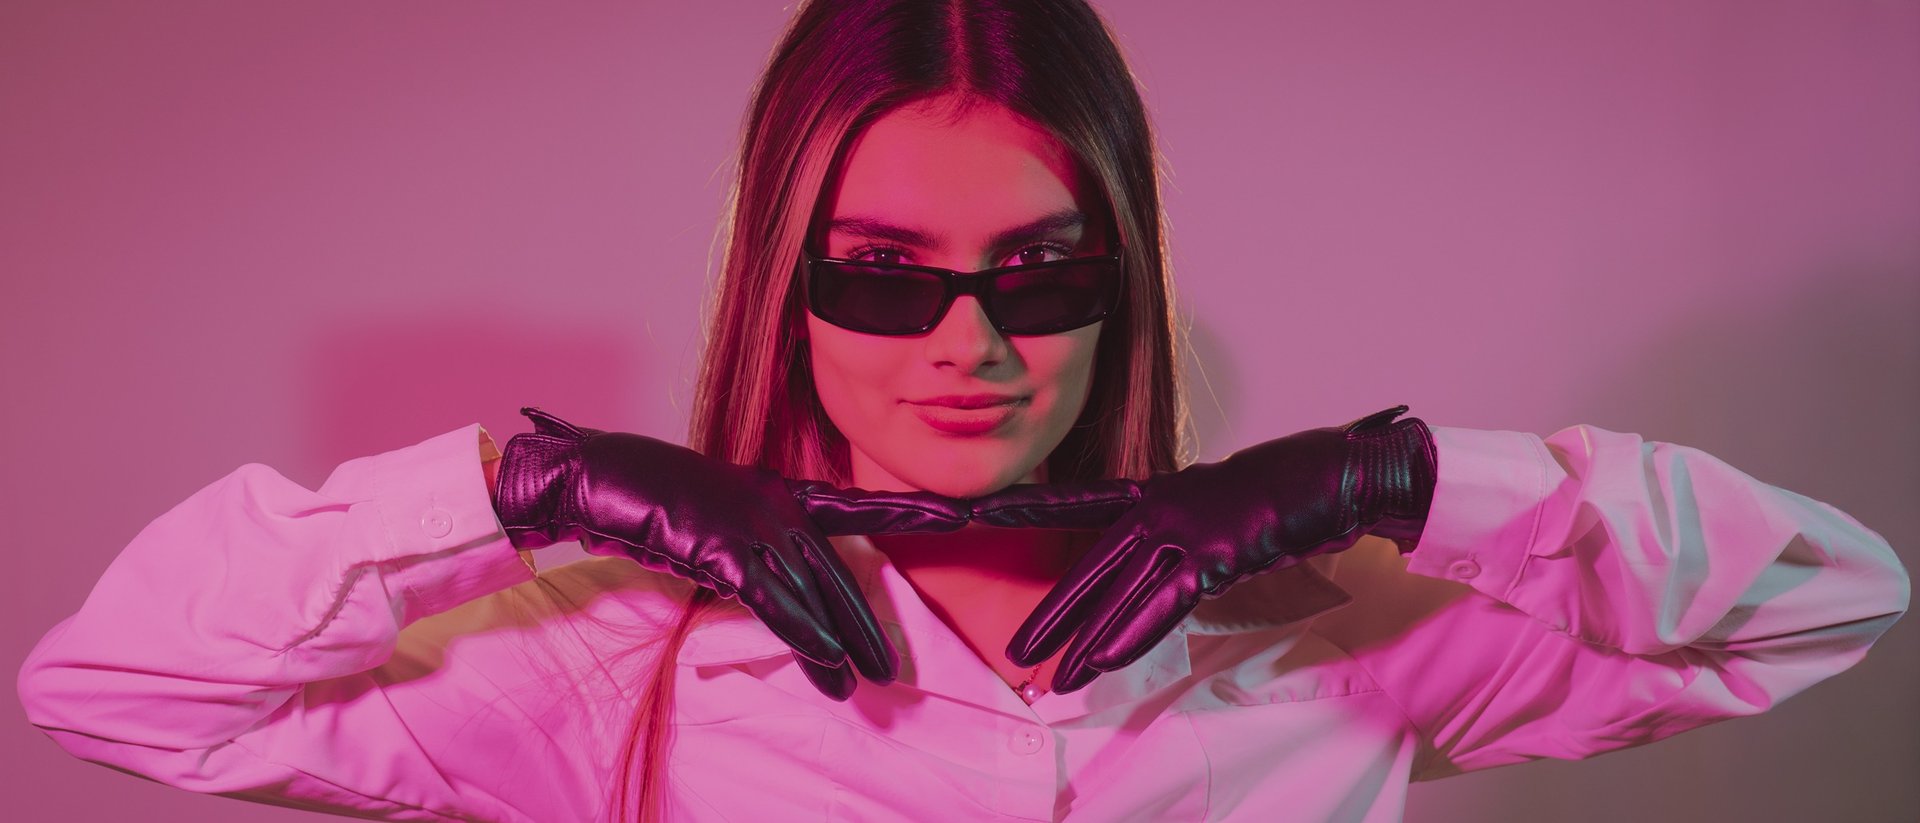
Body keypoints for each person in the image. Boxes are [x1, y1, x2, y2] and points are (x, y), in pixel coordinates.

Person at [17, 0, 1910, 821]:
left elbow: (1827, 600)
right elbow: (109, 689)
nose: (972, 343)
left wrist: (1398, 477)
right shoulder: (618, 676)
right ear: (788, 279)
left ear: (1120, 283)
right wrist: (528, 485)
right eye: (879, 269)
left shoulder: (1352, 653)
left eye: (1046, 273)